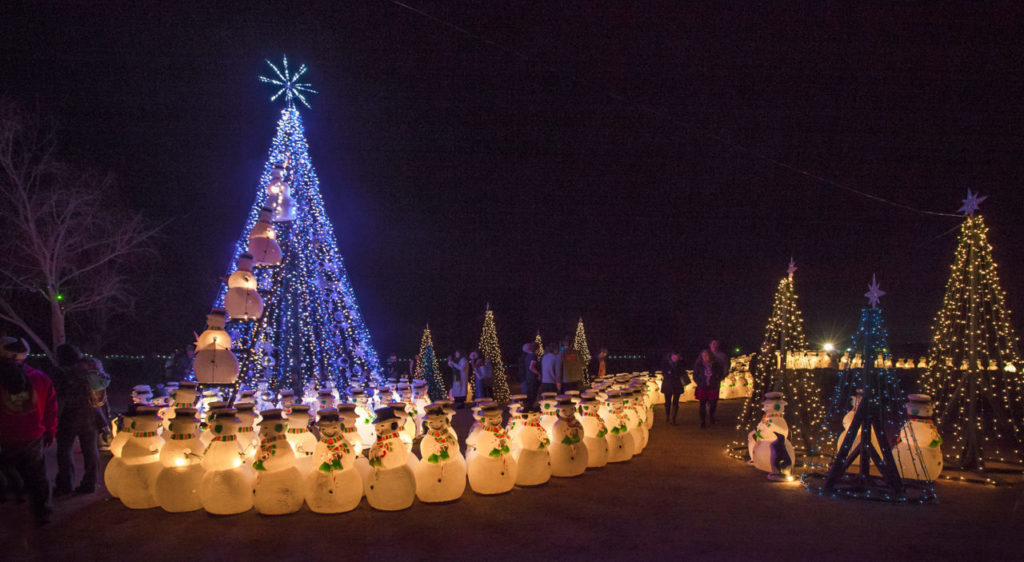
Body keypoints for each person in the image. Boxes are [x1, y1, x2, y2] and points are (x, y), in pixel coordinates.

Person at [0, 337, 57, 525]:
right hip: (33, 435)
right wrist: (50, 430)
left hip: (5, 436)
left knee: (9, 468)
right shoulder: (40, 378)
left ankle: (16, 493)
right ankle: (43, 512)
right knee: (38, 474)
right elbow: (51, 408)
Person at [54, 350, 110, 496]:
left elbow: (62, 400)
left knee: (64, 452)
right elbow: (104, 402)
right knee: (91, 452)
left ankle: (66, 484)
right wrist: (105, 420)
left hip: (69, 419)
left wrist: (55, 418)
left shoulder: (71, 377)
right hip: (92, 419)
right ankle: (90, 483)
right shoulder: (99, 378)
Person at [693, 349, 726, 428]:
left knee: (713, 403)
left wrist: (716, 380)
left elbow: (721, 373)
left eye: (706, 355)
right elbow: (695, 376)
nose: (705, 357)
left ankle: (711, 416)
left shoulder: (715, 364)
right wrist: (700, 382)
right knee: (702, 405)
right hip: (703, 387)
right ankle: (702, 421)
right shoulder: (699, 365)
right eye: (703, 356)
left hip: (712, 386)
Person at [661, 352, 688, 424]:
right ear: (671, 356)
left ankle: (673, 418)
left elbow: (683, 373)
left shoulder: (681, 364)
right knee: (667, 402)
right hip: (668, 385)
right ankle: (667, 416)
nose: (675, 358)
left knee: (675, 402)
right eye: (674, 357)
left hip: (677, 385)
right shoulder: (666, 364)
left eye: (676, 357)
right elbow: (664, 373)